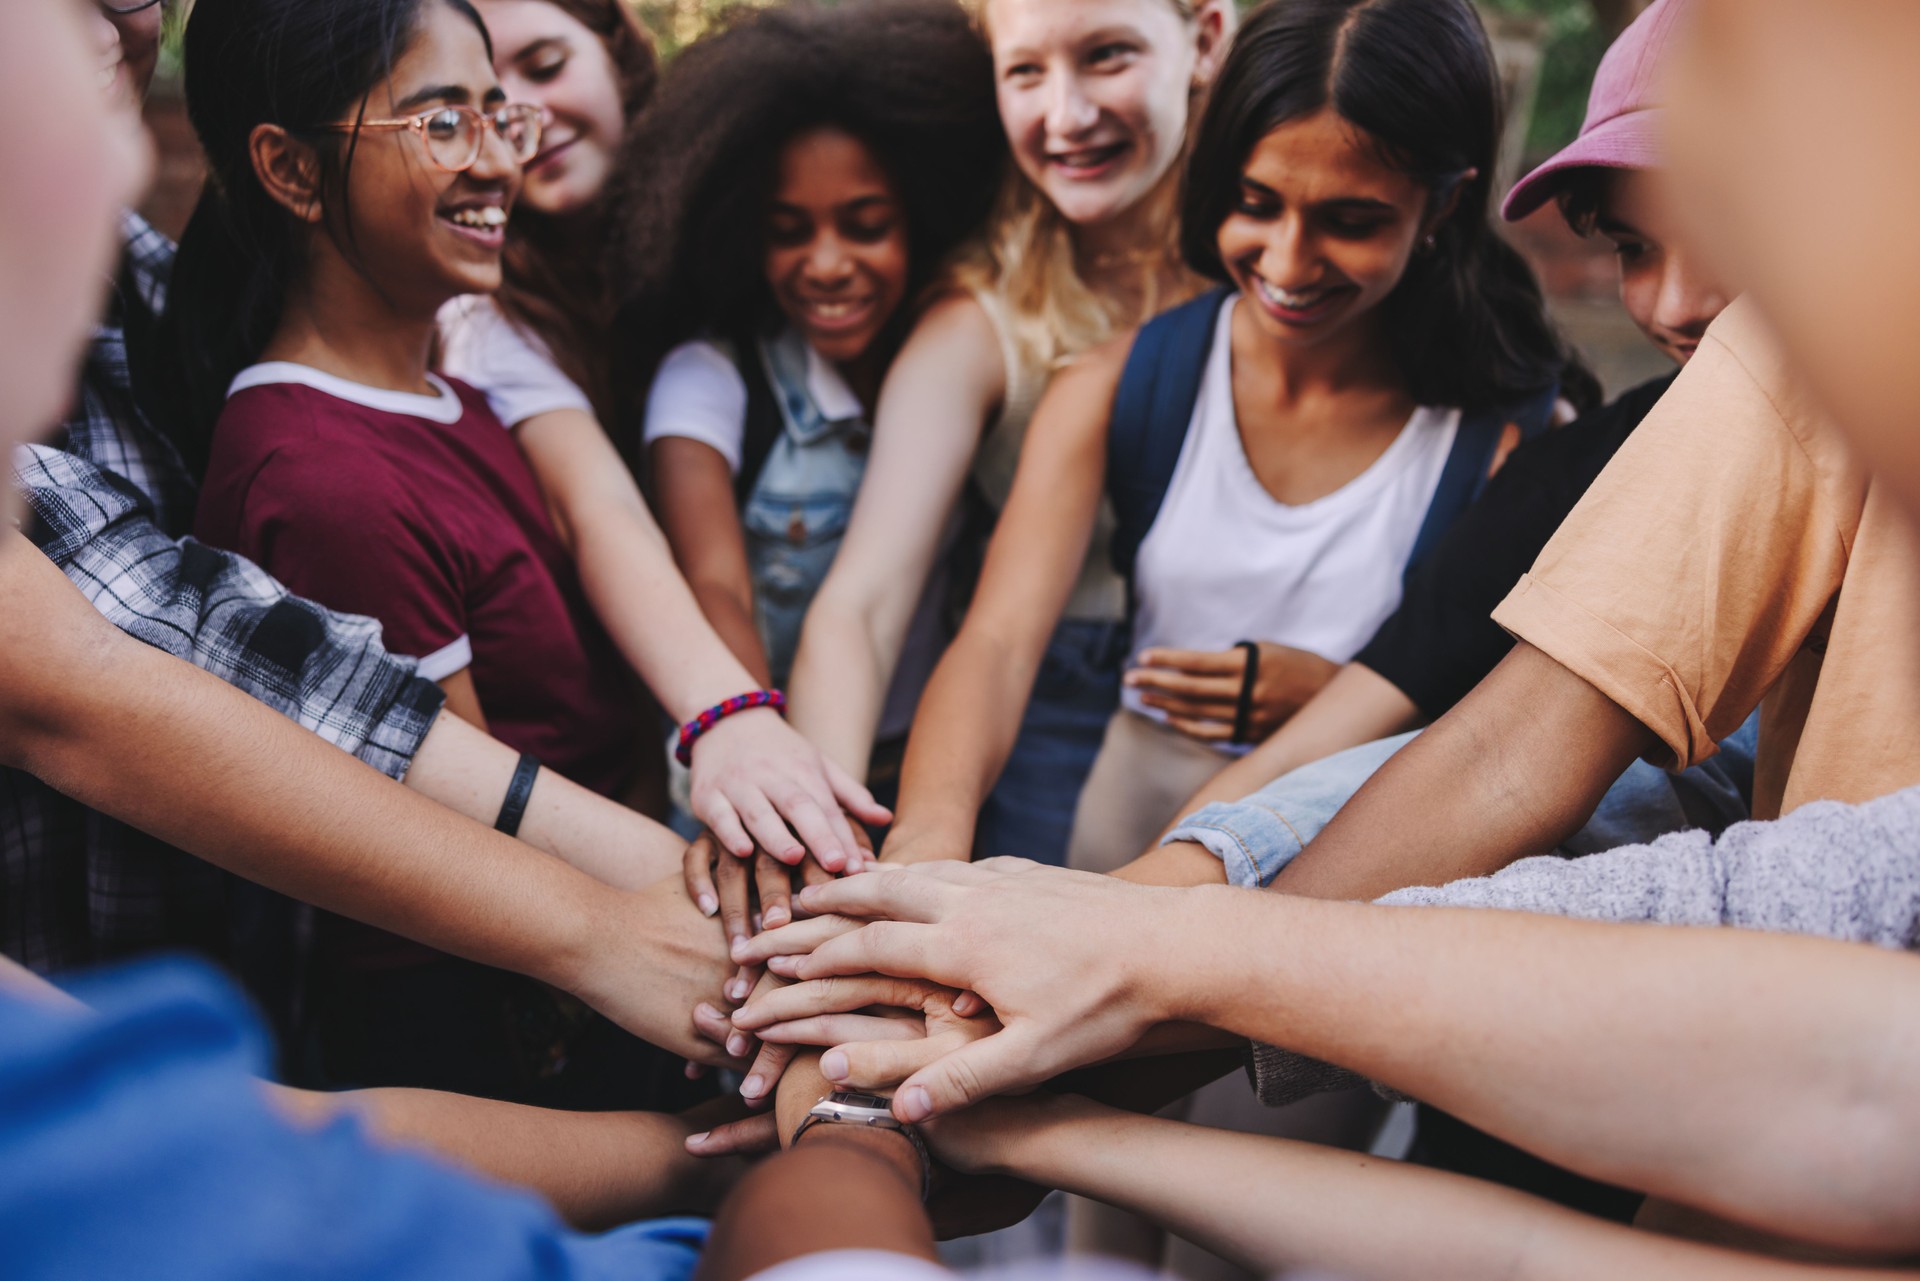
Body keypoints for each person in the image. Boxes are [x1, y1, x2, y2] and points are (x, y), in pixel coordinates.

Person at [11, 0, 756, 1085]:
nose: (499, 158)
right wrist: (744, 926)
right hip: (514, 1025)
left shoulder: (438, 379)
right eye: (440, 123)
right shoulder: (324, 475)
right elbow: (468, 842)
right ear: (294, 173)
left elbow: (601, 511)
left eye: (498, 114)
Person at [1124, 0, 1741, 861]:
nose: (1676, 306)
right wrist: (1142, 911)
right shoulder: (1582, 472)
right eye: (1635, 248)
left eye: (1730, 232)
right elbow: (1467, 754)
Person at [437, 0, 892, 869]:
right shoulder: (486, 321)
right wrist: (739, 718)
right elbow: (599, 509)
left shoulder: (736, 234)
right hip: (648, 744)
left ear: (617, 54)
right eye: (487, 100)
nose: (524, 114)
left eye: (544, 64)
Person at [781, 0, 1234, 869]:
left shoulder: (1284, 268)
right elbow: (863, 603)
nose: (1065, 116)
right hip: (1048, 727)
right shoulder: (980, 325)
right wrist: (824, 839)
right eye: (1025, 70)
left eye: (1107, 56)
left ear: (1205, 39)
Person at [631, 0, 1003, 804]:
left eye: (866, 225)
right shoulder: (709, 380)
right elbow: (715, 584)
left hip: (928, 768)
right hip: (764, 763)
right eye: (789, 230)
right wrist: (765, 751)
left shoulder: (968, 367)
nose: (826, 264)